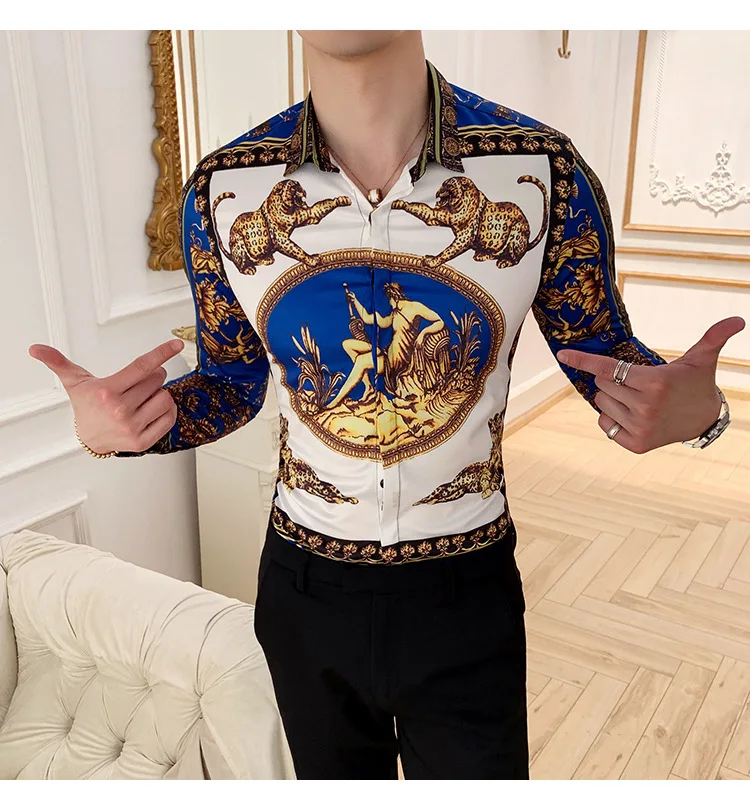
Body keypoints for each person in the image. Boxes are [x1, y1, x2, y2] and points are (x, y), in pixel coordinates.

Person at [29, 30, 744, 780]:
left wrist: (701, 414)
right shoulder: (224, 188)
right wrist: (124, 430)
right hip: (304, 590)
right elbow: (232, 384)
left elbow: (604, 359)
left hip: (465, 590)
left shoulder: (541, 168)